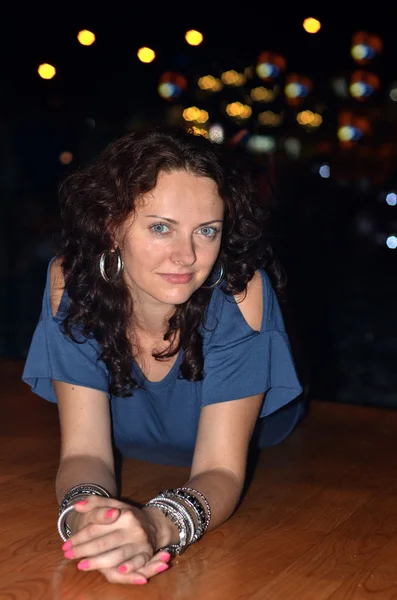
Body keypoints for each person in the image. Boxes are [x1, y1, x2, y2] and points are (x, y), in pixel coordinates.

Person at [22, 125, 304, 586]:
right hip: (131, 439)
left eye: (207, 231)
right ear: (112, 226)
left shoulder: (239, 292)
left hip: (256, 435)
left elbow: (219, 470)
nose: (188, 256)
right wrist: (89, 522)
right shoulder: (69, 282)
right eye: (160, 227)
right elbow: (86, 452)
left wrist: (156, 527)